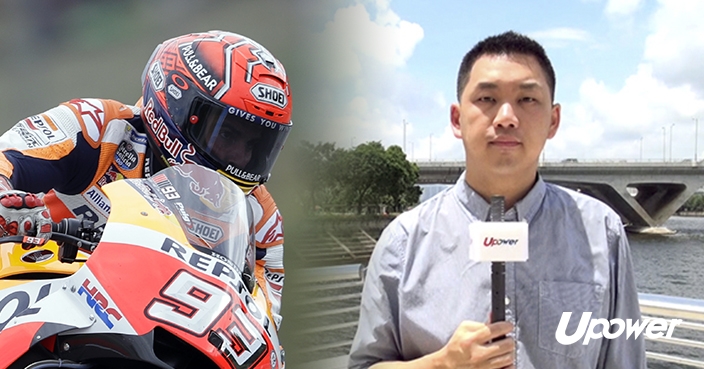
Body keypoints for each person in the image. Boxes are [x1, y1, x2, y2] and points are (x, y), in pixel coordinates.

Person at [348, 31, 645, 368]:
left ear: (554, 120)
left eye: (527, 100)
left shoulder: (602, 232)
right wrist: (442, 364)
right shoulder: (402, 242)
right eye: (487, 99)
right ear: (457, 119)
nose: (506, 117)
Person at [0, 30, 291, 328]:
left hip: (147, 332)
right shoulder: (97, 125)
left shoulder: (262, 217)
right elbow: (7, 155)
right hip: (31, 290)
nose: (240, 156)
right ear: (177, 103)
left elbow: (264, 319)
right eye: (227, 134)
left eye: (256, 145)